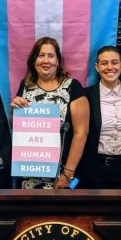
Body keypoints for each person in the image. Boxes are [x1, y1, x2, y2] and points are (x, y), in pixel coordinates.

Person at [11, 37, 89, 189]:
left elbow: (81, 133)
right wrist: (14, 110)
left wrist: (68, 173)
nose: (46, 60)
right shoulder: (26, 85)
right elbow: (18, 127)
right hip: (29, 174)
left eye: (51, 56)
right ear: (34, 60)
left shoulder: (73, 86)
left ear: (58, 61)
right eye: (41, 55)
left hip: (61, 174)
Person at [78, 46, 121, 189]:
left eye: (114, 62)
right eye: (104, 63)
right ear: (97, 67)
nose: (110, 67)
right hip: (95, 169)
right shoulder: (85, 96)